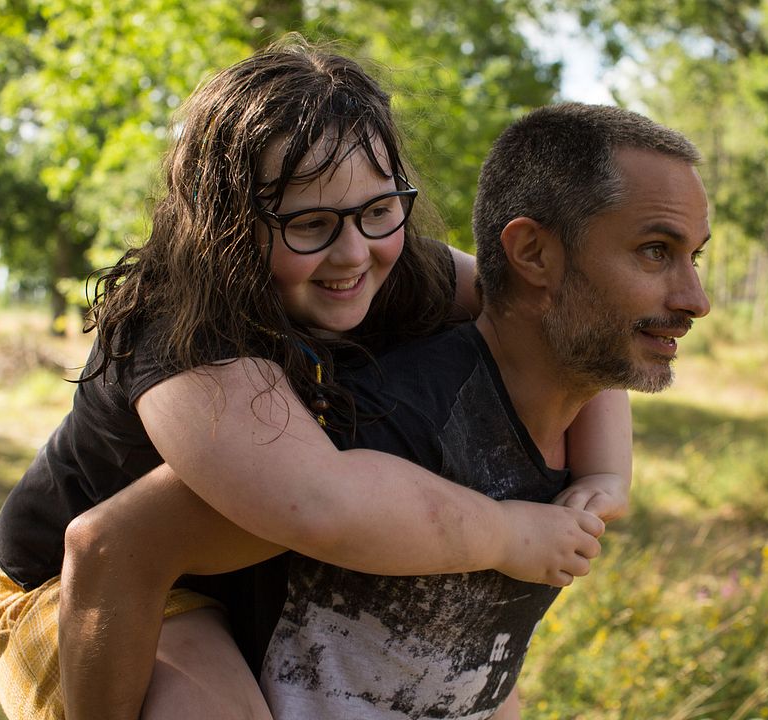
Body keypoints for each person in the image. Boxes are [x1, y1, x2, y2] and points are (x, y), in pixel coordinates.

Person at [0, 39, 630, 720]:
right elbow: (320, 503)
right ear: (228, 225)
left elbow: (552, 311)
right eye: (310, 224)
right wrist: (505, 534)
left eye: (379, 211)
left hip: (250, 572)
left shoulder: (403, 266)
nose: (353, 255)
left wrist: (606, 474)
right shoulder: (187, 333)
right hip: (82, 585)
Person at [253, 102, 711, 718]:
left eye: (695, 257)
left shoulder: (568, 433)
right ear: (534, 254)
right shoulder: (375, 423)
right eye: (655, 251)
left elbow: (468, 671)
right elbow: (125, 545)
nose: (696, 300)